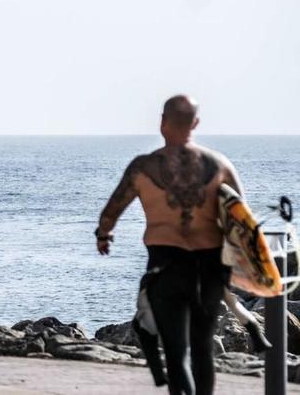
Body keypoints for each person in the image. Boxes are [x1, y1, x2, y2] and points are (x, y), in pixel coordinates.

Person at [95, 95, 255, 395]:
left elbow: (111, 212)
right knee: (203, 349)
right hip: (209, 268)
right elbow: (242, 219)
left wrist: (103, 236)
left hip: (165, 266)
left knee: (176, 352)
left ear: (162, 122)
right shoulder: (219, 165)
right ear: (195, 123)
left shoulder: (142, 168)